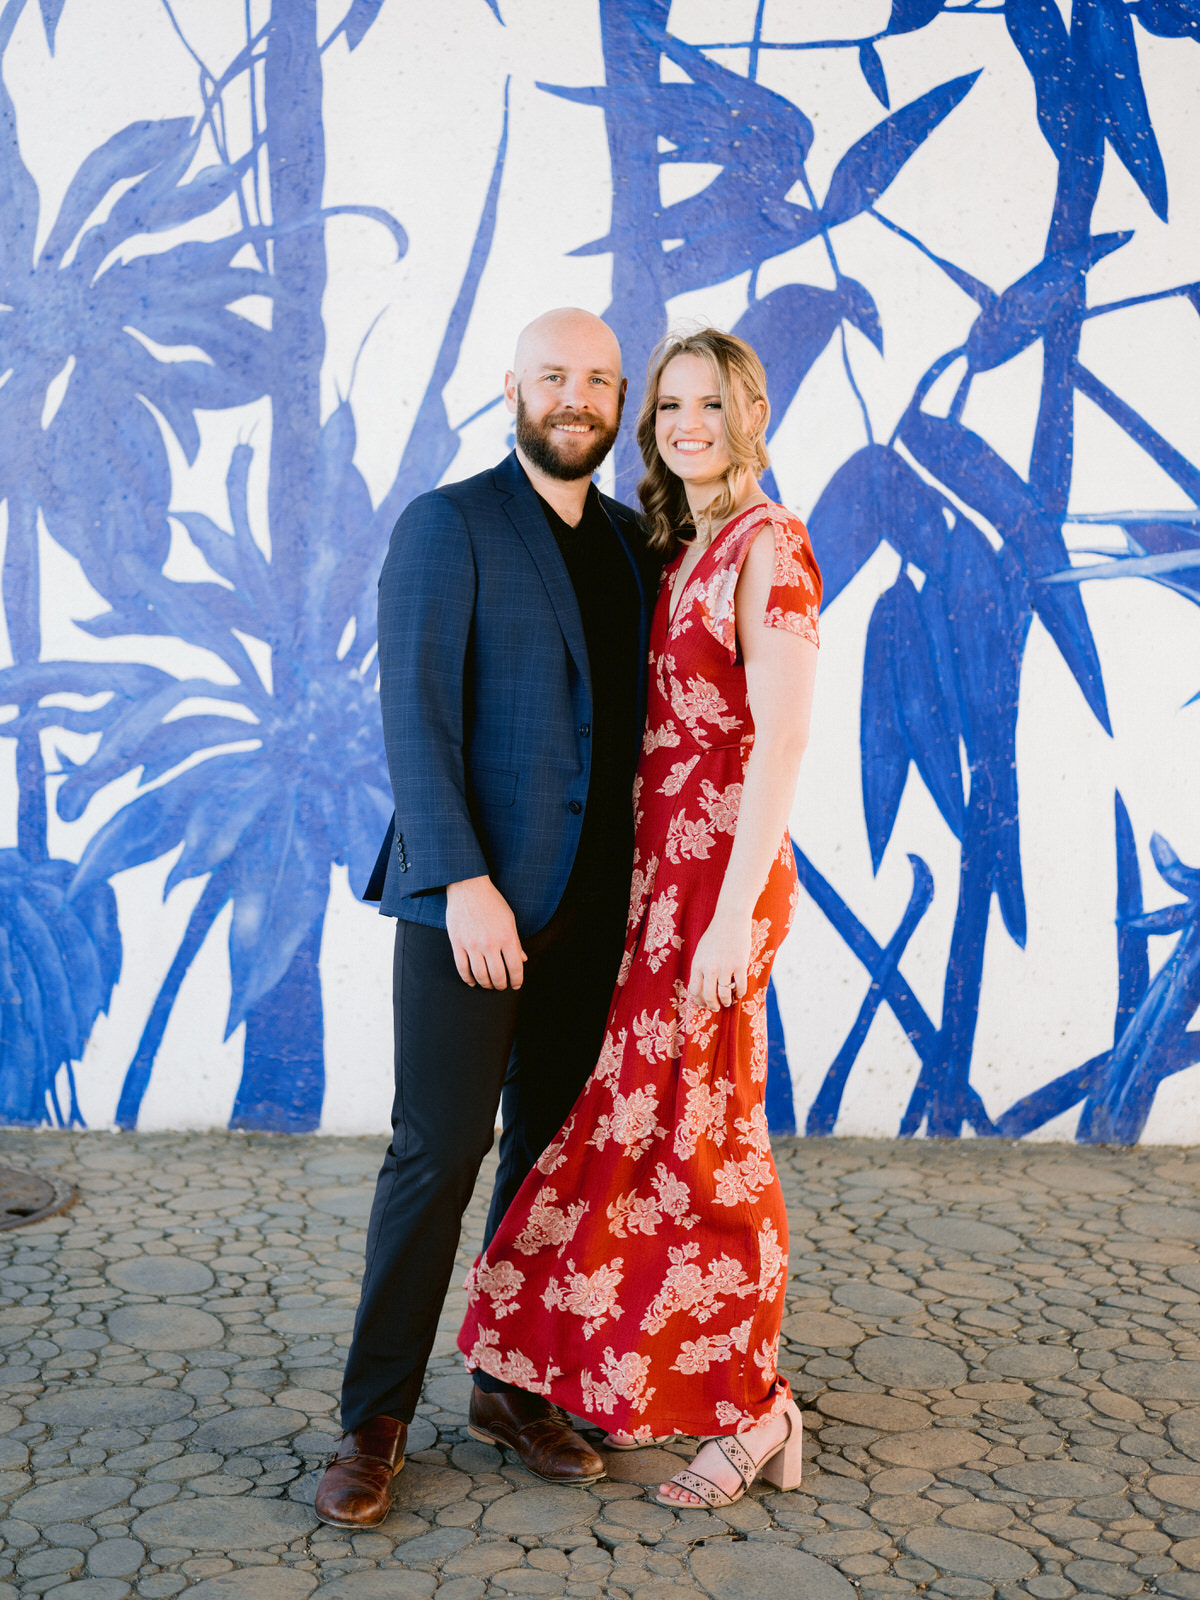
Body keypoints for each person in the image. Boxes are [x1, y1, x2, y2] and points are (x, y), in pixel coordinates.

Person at [456, 327, 821, 1510]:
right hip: (662, 892)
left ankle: (759, 1410)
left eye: (708, 402)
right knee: (655, 1139)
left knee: (713, 1145)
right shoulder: (689, 545)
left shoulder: (772, 545)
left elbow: (781, 742)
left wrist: (726, 921)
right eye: (668, 404)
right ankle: (624, 1378)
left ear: (748, 412)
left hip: (720, 889)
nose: (683, 424)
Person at [314, 308, 658, 1529]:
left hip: (596, 912)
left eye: (601, 380)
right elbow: (412, 714)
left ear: (620, 403)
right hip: (474, 904)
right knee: (439, 1150)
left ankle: (514, 1387)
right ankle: (373, 1421)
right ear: (510, 387)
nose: (579, 396)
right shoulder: (447, 524)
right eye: (555, 376)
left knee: (551, 1162)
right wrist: (462, 880)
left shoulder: (631, 542)